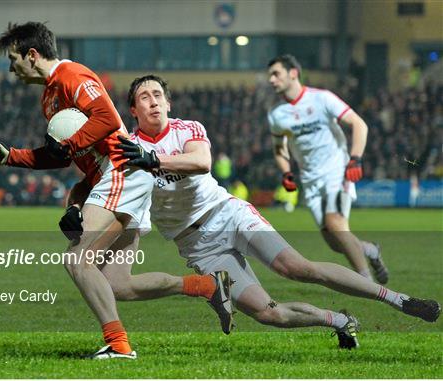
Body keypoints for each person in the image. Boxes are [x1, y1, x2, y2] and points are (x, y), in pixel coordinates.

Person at [109, 74, 440, 349]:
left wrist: (154, 160)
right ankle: (339, 320)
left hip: (228, 215)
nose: (153, 101)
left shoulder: (187, 129)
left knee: (297, 268)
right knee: (268, 313)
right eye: (144, 97)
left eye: (158, 95)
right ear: (133, 110)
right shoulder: (125, 152)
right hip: (196, 244)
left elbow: (201, 162)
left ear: (169, 104)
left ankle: (400, 300)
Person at [0, 22, 231, 359]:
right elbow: (62, 155)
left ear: (31, 55)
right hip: (116, 179)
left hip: (121, 172)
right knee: (118, 284)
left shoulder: (71, 75)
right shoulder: (50, 97)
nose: (11, 68)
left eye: (13, 59)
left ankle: (119, 346)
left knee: (76, 259)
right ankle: (207, 286)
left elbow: (104, 117)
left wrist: (70, 144)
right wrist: (11, 156)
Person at [267, 54, 388, 283]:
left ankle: (366, 283)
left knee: (336, 225)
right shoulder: (277, 115)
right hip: (311, 181)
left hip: (336, 170)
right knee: (334, 242)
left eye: (276, 74)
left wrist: (355, 159)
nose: (272, 80)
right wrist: (286, 171)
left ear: (293, 73)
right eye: (270, 76)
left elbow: (358, 123)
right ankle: (371, 250)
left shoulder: (322, 98)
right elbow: (279, 149)